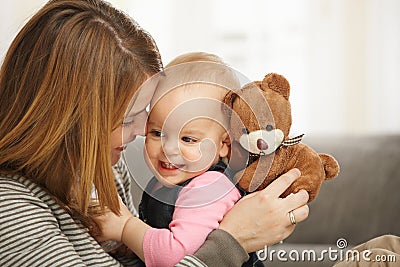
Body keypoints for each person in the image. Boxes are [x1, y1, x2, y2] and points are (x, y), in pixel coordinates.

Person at [0, 0, 309, 266]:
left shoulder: (101, 167)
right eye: (128, 120)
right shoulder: (11, 209)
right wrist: (233, 241)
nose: (139, 133)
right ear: (68, 119)